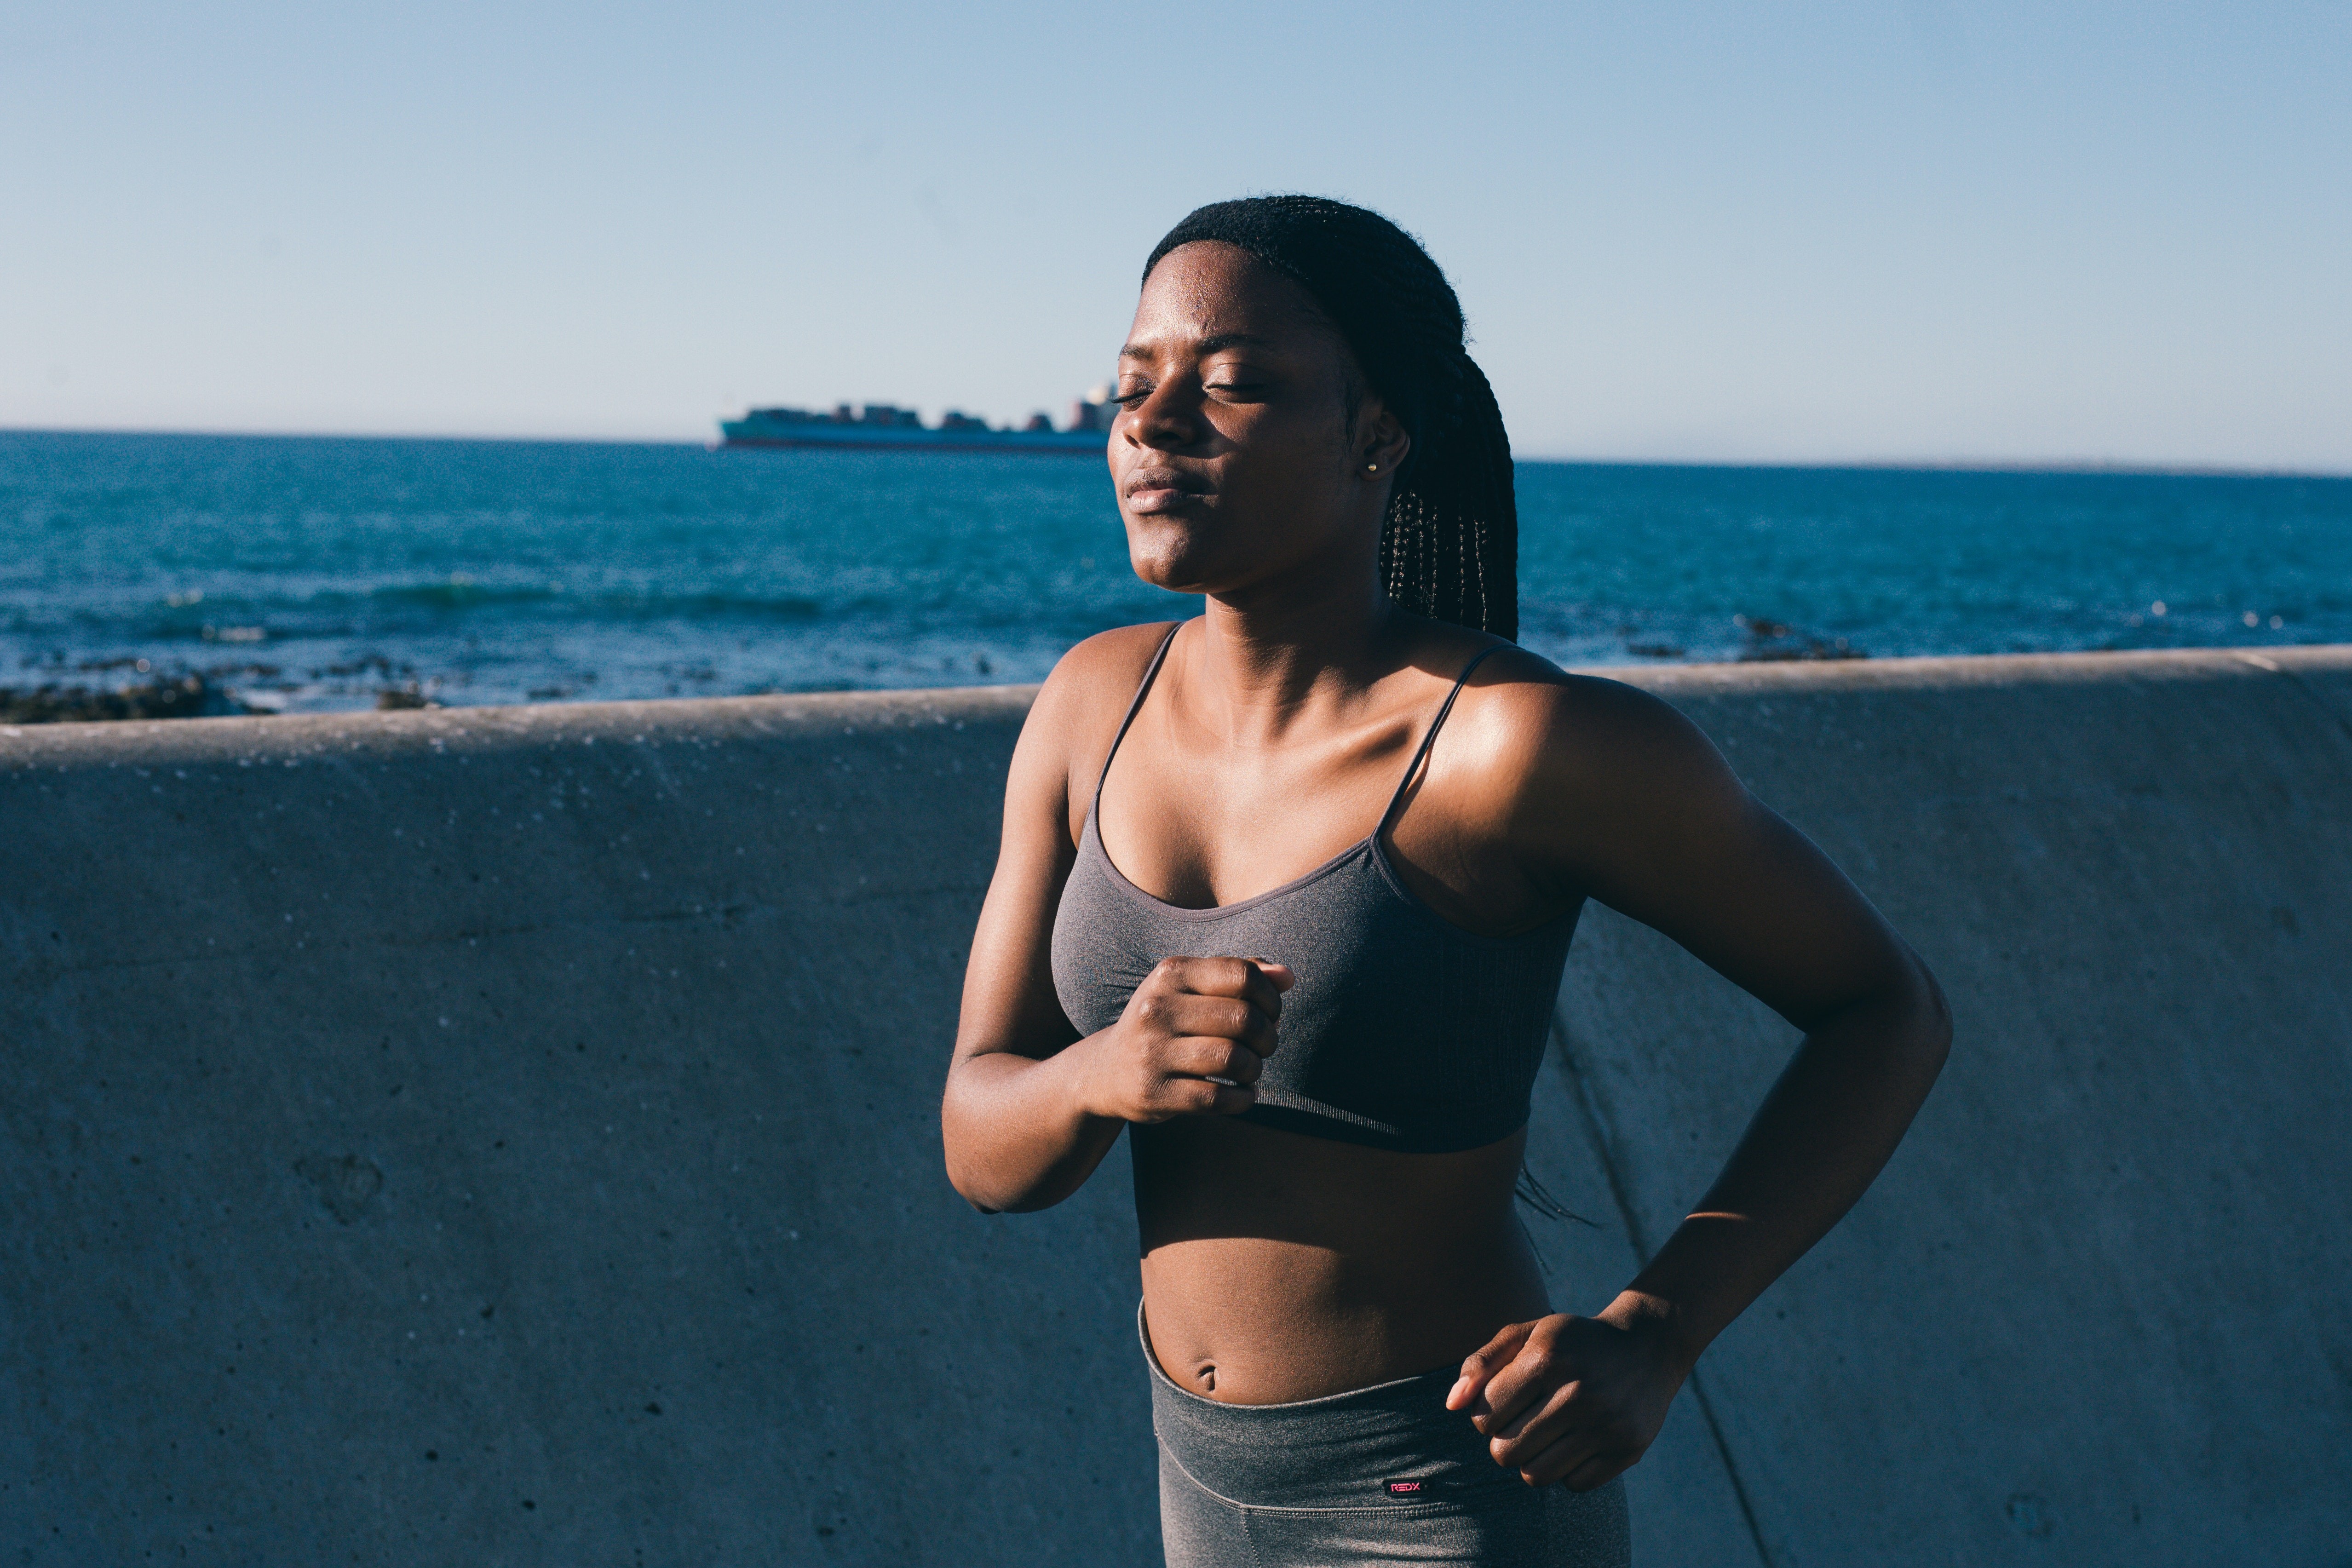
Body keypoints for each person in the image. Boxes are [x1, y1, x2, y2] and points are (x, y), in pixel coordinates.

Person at [941, 196, 1951, 1567]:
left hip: (1443, 1491)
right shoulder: (1086, 704)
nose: (1153, 423)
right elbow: (982, 1143)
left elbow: (1882, 1007)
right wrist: (1098, 1073)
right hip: (1195, 1476)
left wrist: (1656, 1329)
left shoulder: (1517, 748)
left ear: (1377, 434)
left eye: (1232, 385)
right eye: (1131, 385)